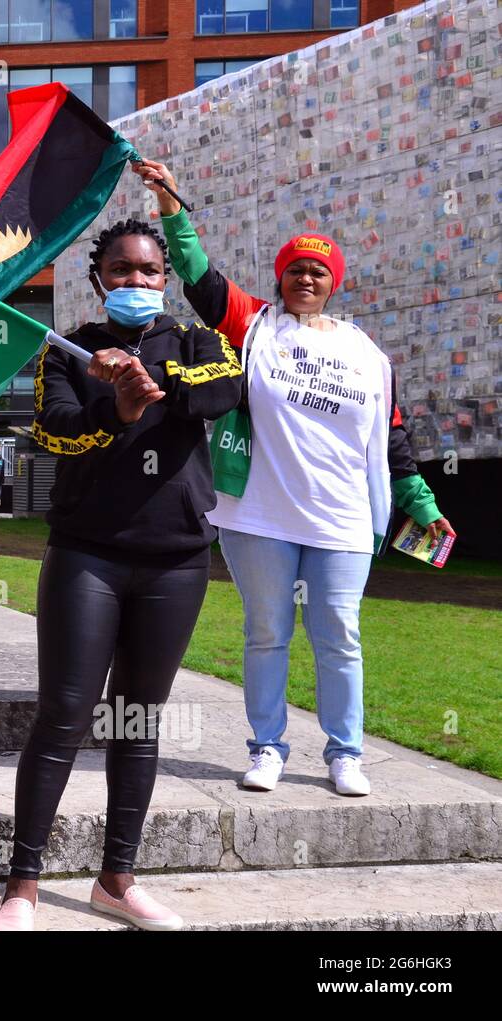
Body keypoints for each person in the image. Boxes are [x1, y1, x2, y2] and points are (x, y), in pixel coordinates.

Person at [131, 159, 455, 799]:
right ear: (281, 278)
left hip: (343, 518)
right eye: (296, 269)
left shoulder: (368, 355)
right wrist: (170, 204)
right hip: (260, 514)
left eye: (319, 271)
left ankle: (346, 753)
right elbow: (198, 275)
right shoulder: (254, 326)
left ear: (333, 284)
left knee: (339, 636)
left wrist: (422, 501)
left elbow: (393, 440)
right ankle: (267, 747)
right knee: (267, 633)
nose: (306, 277)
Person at [0, 218, 244, 932]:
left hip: (177, 561)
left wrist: (150, 381)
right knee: (65, 714)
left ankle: (117, 878)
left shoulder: (196, 340)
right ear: (98, 278)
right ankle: (22, 884)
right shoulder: (68, 349)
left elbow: (224, 387)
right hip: (87, 555)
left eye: (150, 271)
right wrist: (115, 406)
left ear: (167, 278)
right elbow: (52, 429)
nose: (136, 282)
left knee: (137, 718)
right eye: (121, 271)